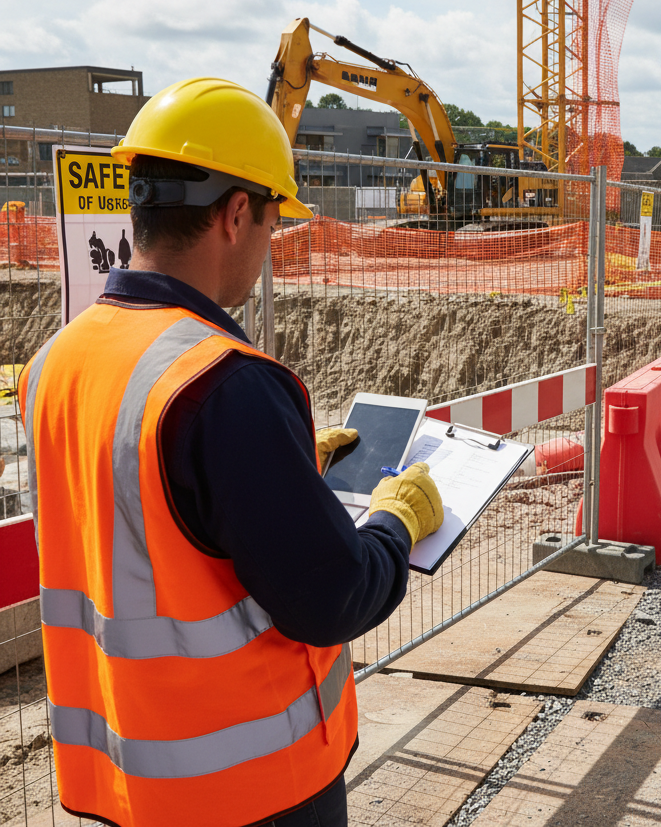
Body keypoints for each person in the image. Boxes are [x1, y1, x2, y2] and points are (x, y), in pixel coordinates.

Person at [19, 77, 444, 827]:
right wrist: (394, 523)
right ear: (237, 212)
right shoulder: (225, 385)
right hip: (250, 790)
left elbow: (144, 515)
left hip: (123, 777)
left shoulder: (55, 362)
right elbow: (332, 595)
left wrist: (275, 474)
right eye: (273, 221)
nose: (269, 244)